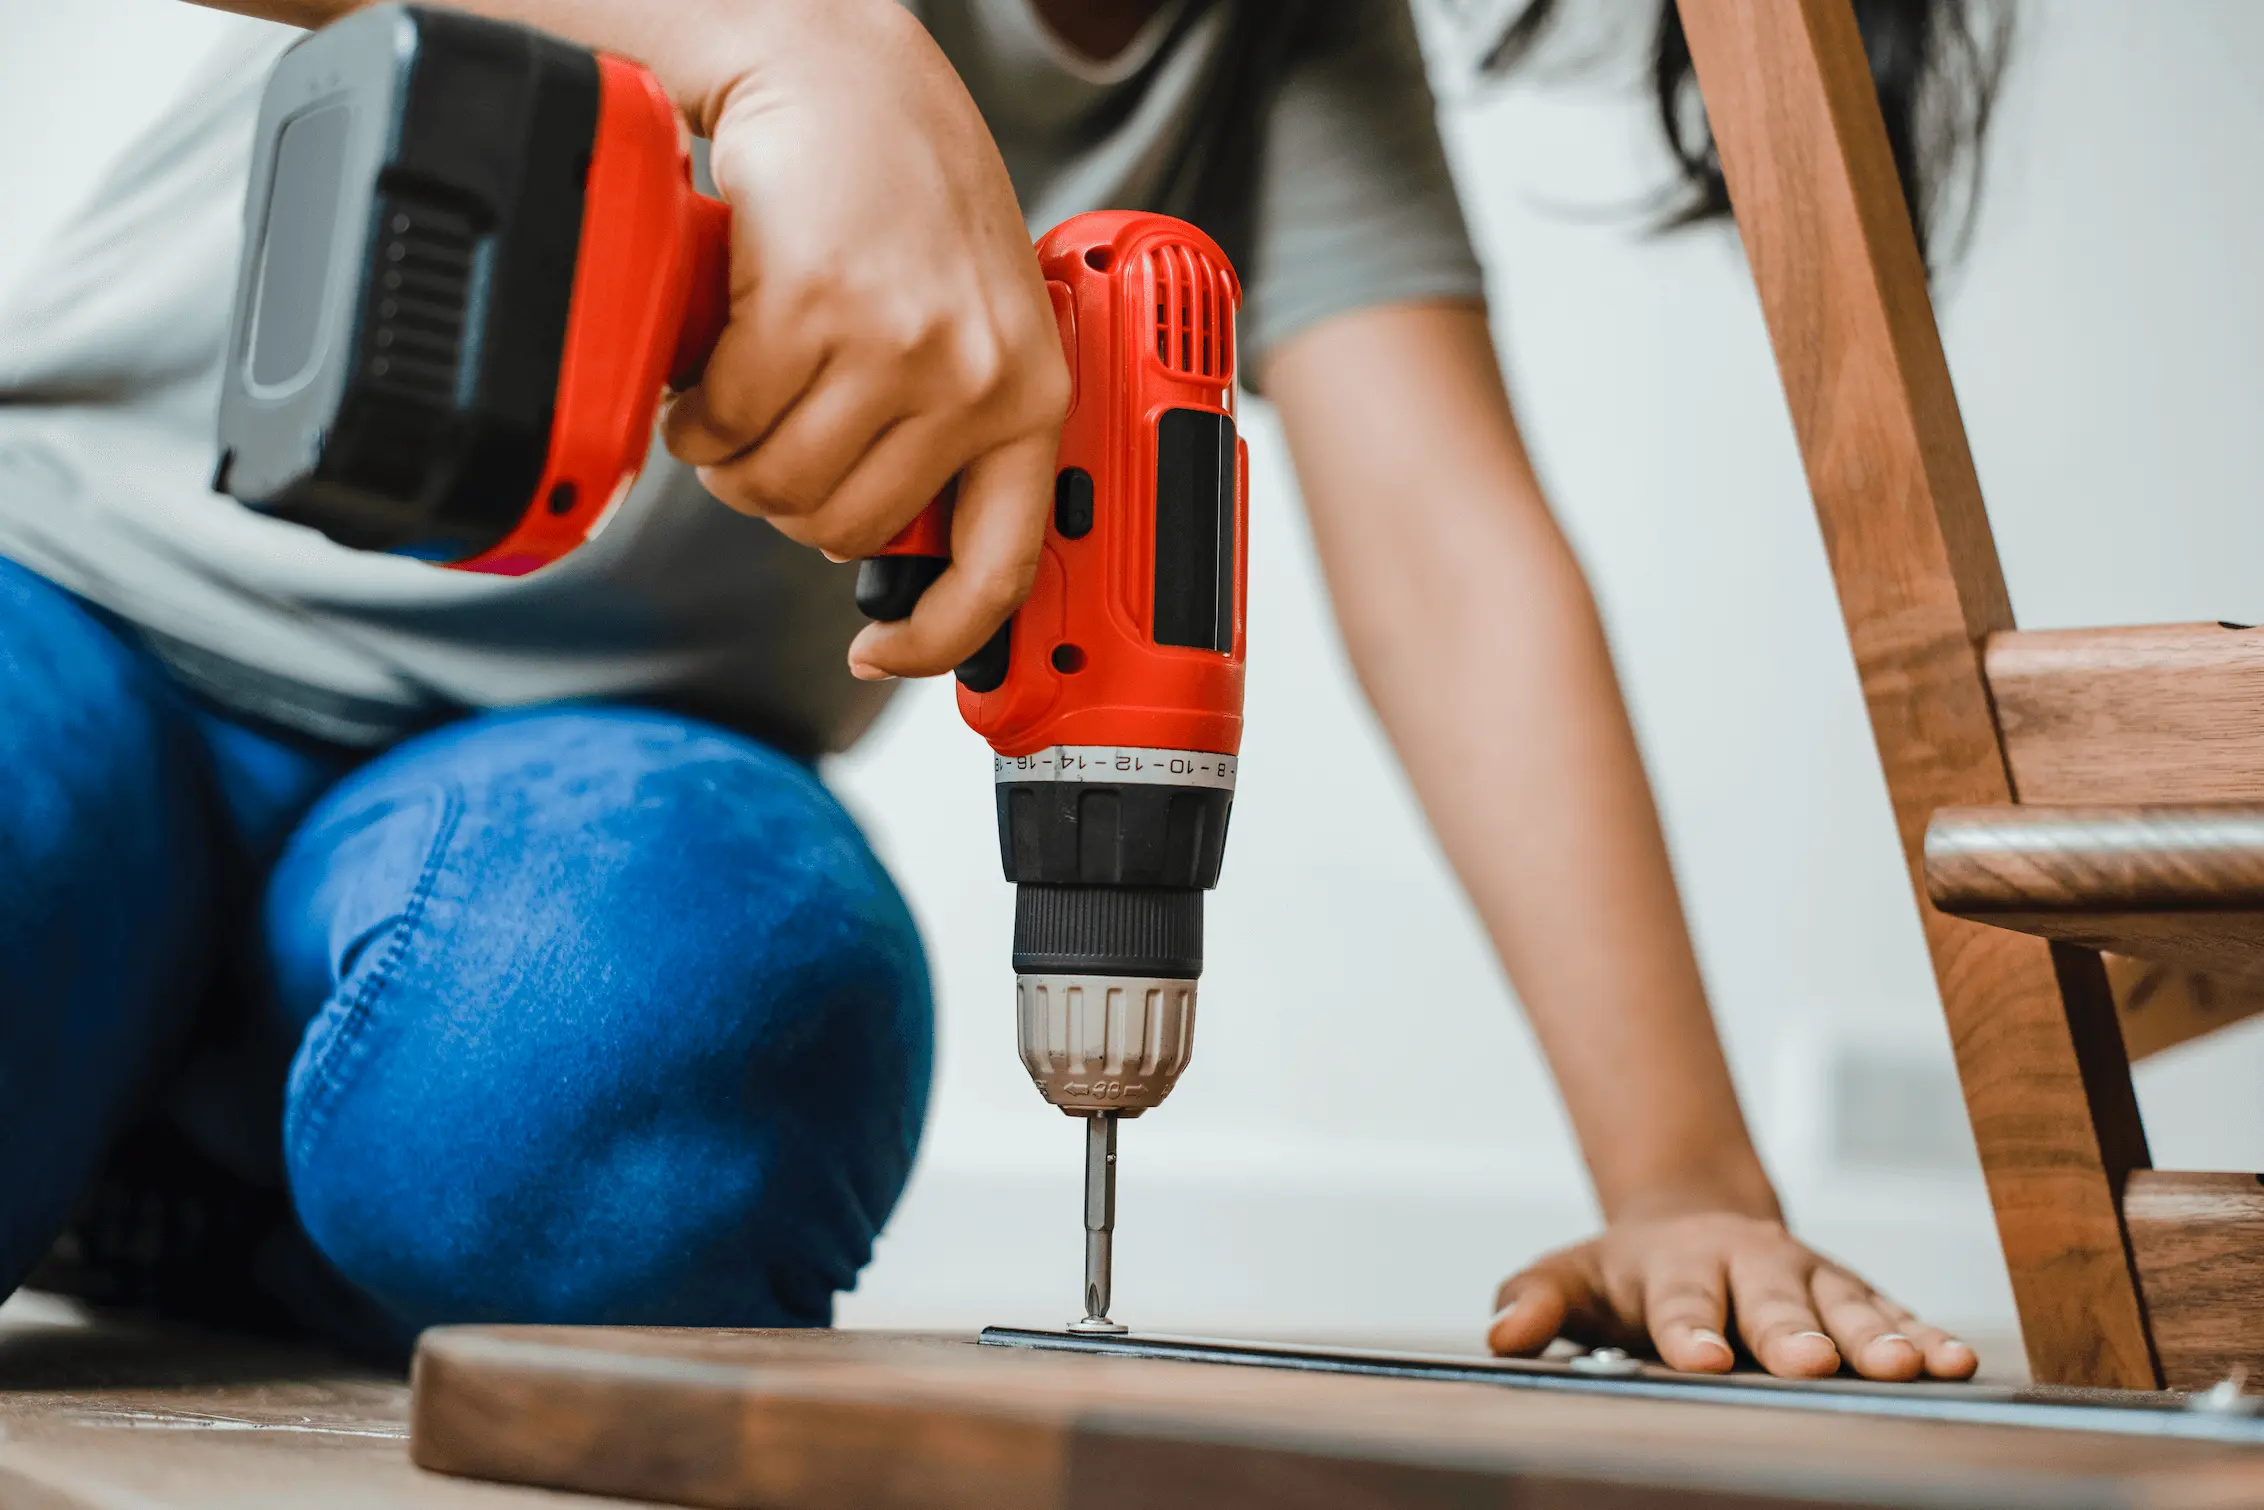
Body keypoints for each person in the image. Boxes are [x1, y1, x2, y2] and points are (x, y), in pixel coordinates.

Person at [0, 0, 1994, 1377]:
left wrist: (1678, 1183)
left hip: (560, 790)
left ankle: (176, 1157)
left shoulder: (1276, 45)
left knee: (676, 1047)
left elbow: (1453, 567)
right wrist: (790, 37)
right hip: (62, 593)